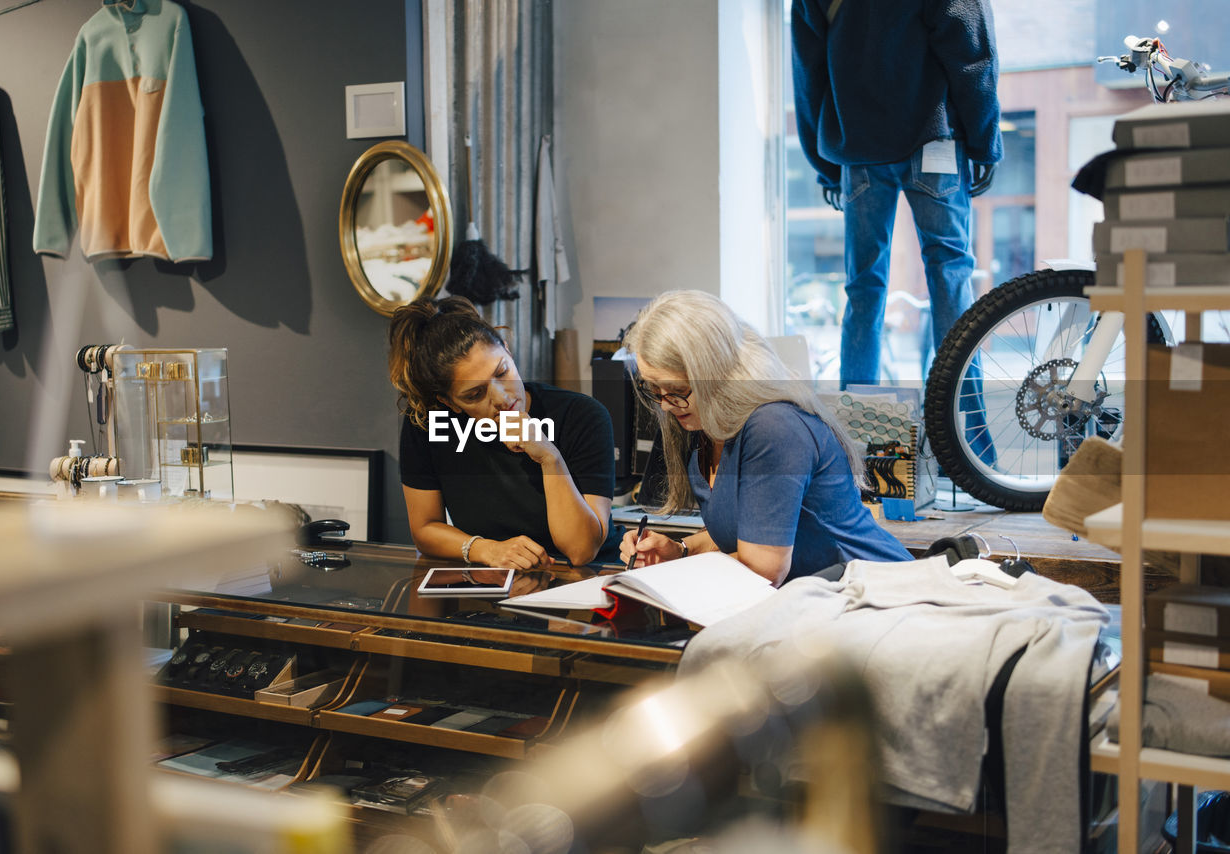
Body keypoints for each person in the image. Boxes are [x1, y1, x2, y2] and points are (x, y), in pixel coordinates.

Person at [619, 291, 911, 585]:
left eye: (676, 390)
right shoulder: (705, 432)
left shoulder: (772, 427)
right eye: (654, 391)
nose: (666, 405)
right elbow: (747, 531)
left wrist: (674, 574)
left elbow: (763, 568)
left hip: (879, 596)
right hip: (819, 602)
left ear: (716, 373)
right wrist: (679, 551)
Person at [790, 0, 1002, 395]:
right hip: (932, 137)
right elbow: (970, 48)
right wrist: (984, 140)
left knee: (863, 288)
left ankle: (858, 432)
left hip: (859, 150)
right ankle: (965, 431)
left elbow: (808, 71)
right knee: (950, 275)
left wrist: (825, 163)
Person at [391, 296, 621, 569]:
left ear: (509, 352)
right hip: (498, 581)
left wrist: (550, 458)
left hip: (586, 580)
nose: (501, 397)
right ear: (449, 403)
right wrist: (485, 549)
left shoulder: (582, 416)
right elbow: (425, 528)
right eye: (475, 394)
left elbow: (581, 551)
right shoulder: (430, 425)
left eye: (502, 372)